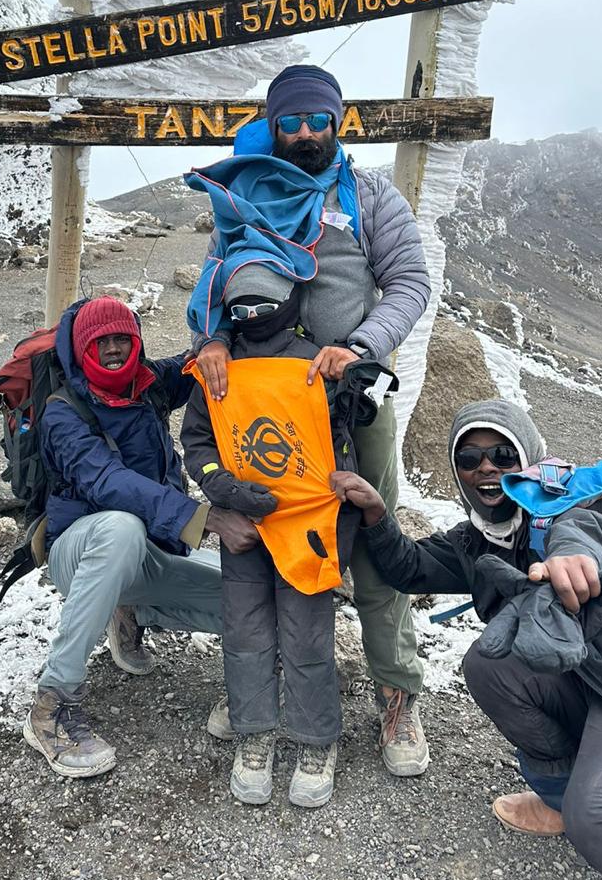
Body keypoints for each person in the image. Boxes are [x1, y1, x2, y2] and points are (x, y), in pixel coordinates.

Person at [334, 399, 602, 880]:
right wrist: (378, 517)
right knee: (490, 667)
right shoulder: (480, 541)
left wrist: (570, 556)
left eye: (500, 453)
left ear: (528, 457)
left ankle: (600, 809)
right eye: (468, 459)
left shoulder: (574, 500)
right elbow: (412, 569)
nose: (486, 467)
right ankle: (563, 799)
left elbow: (588, 531)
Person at [187, 63, 432, 777]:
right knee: (261, 535)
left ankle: (397, 694)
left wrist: (358, 347)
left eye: (315, 120)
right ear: (274, 123)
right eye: (288, 121)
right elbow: (214, 281)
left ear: (337, 121)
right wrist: (209, 342)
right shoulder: (246, 190)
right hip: (263, 400)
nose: (302, 134)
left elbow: (411, 281)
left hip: (352, 400)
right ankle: (255, 692)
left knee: (375, 544)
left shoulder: (369, 195)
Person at [22, 295, 258, 779]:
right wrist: (205, 518)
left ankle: (129, 609)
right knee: (120, 525)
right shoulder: (62, 413)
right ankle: (52, 706)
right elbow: (108, 483)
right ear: (82, 348)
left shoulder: (148, 384)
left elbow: (203, 362)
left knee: (253, 596)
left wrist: (221, 340)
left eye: (121, 338)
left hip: (144, 555)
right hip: (81, 550)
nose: (112, 349)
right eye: (100, 341)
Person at [180, 265, 364, 808]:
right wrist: (225, 490)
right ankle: (253, 733)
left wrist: (340, 519)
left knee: (308, 633)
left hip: (306, 528)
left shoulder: (318, 363)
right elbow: (198, 443)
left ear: (290, 300)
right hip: (244, 530)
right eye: (241, 308)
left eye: (263, 305)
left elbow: (340, 446)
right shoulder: (216, 366)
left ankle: (315, 740)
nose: (252, 316)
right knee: (244, 631)